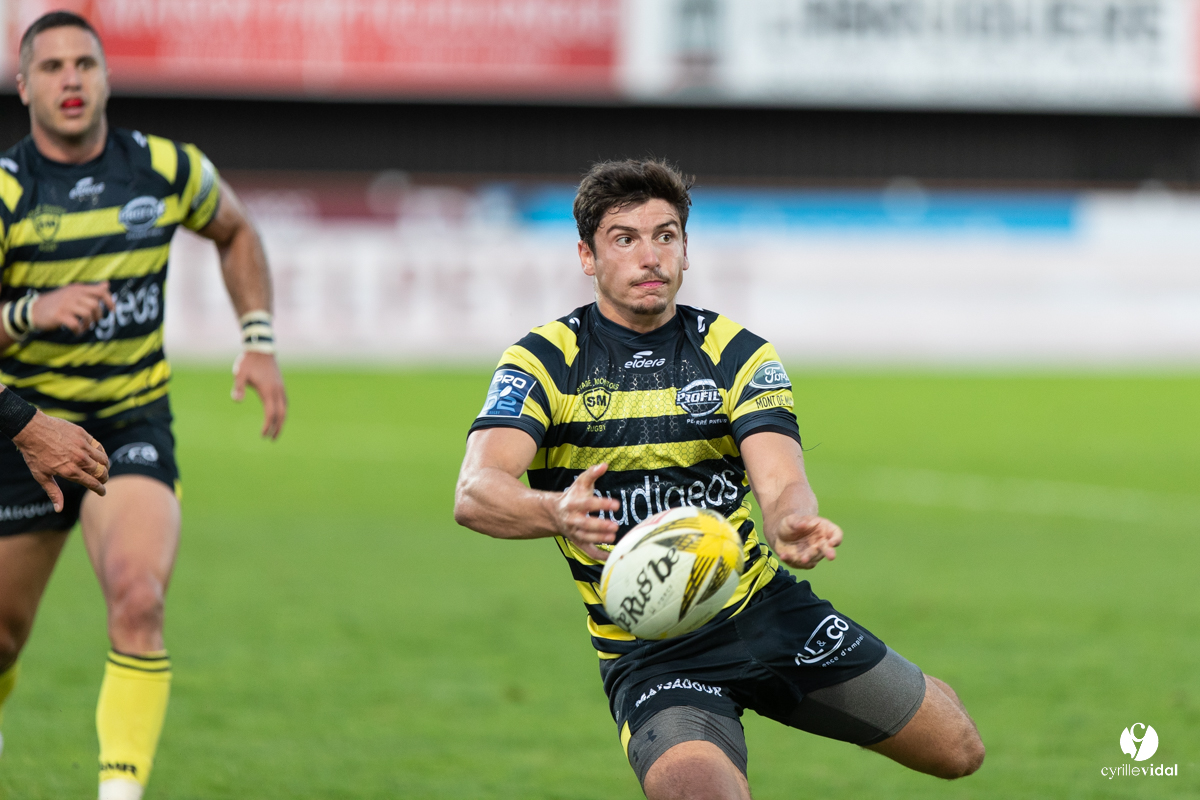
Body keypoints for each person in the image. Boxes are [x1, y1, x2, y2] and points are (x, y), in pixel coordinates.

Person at [455, 159, 984, 799]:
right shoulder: (544, 360)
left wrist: (791, 521)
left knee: (958, 750)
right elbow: (476, 490)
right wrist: (553, 512)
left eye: (666, 235)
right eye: (625, 238)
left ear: (686, 250)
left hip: (764, 610)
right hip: (653, 651)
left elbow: (781, 479)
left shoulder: (735, 352)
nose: (650, 256)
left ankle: (912, 688)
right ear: (588, 257)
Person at [0, 12, 287, 800]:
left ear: (106, 76)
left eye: (84, 63)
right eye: (51, 66)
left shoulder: (163, 167)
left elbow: (235, 229)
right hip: (17, 425)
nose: (70, 79)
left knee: (138, 598)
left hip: (128, 424)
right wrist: (29, 314)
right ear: (24, 85)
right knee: (2, 638)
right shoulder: (6, 193)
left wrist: (257, 337)